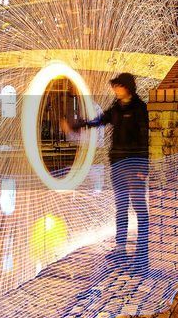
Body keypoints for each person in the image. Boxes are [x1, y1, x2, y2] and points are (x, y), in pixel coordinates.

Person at [63, 72, 149, 273]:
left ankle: (142, 253)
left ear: (126, 87)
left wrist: (143, 168)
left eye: (117, 86)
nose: (114, 90)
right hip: (118, 165)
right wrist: (77, 126)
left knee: (140, 210)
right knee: (121, 208)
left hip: (134, 166)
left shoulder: (139, 108)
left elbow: (145, 139)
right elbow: (99, 121)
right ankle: (120, 249)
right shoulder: (117, 108)